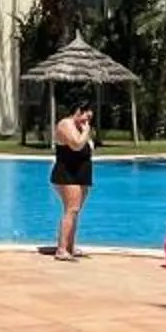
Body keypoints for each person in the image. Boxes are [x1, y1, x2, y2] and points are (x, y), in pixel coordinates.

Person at [45, 103, 95, 259]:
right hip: (67, 174)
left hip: (81, 174)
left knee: (75, 211)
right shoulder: (65, 124)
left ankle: (70, 246)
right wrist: (86, 131)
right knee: (71, 209)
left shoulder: (80, 127)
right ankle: (61, 249)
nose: (87, 122)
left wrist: (85, 131)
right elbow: (76, 145)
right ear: (78, 111)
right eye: (86, 117)